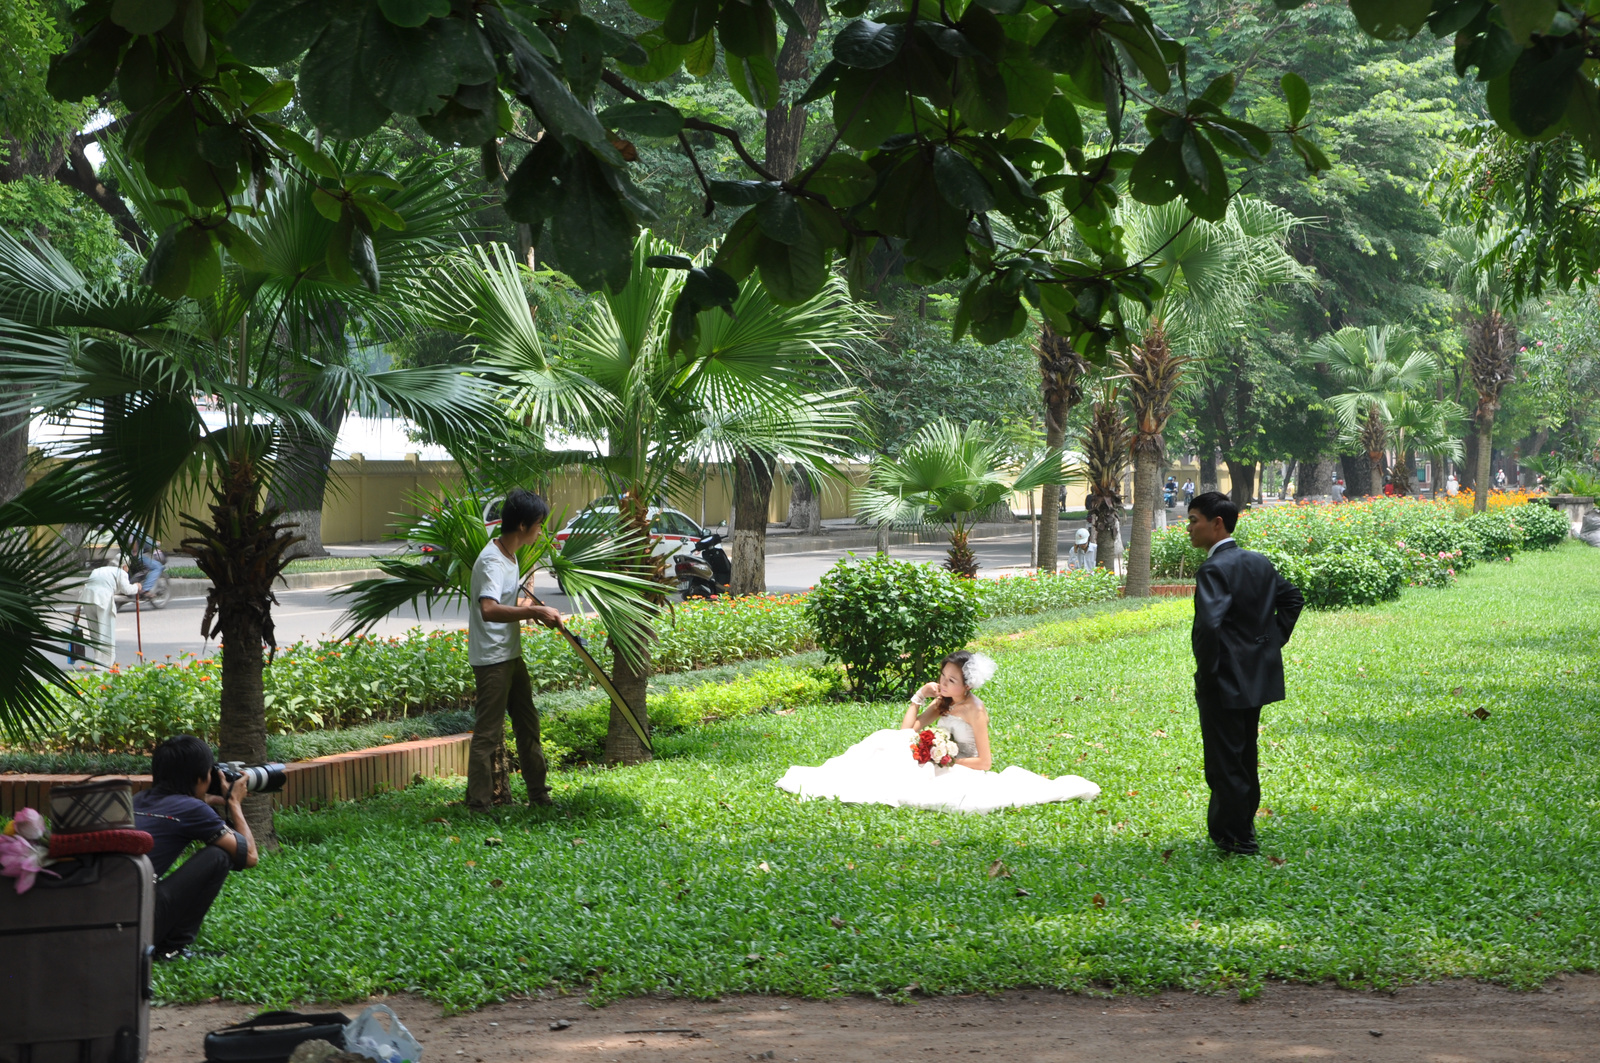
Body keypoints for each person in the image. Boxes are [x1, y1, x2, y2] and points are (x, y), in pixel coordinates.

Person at [775, 652, 1099, 813]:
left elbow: (985, 763)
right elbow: (907, 731)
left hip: (962, 769)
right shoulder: (943, 701)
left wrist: (947, 761)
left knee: (913, 772)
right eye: (942, 677)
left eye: (951, 681)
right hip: (937, 760)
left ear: (967, 685)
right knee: (888, 740)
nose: (943, 684)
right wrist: (919, 696)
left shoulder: (976, 711)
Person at [1186, 492, 1304, 856]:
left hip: (1223, 679)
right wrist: (1267, 644)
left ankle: (1236, 838)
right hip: (1255, 676)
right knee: (1243, 755)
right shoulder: (1258, 562)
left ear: (1217, 523)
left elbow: (1208, 628)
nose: (1189, 528)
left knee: (1224, 761)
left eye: (1194, 520)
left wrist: (1207, 674)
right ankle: (1241, 827)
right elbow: (1293, 599)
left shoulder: (1213, 569)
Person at [467, 488, 562, 812]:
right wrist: (534, 613)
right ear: (523, 525)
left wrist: (530, 605)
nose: (541, 530)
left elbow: (506, 603)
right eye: (539, 524)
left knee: (528, 724)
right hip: (492, 658)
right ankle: (478, 806)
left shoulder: (509, 554)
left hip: (510, 653)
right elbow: (489, 610)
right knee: (487, 735)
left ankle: (539, 796)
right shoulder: (492, 560)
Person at [132, 735, 259, 960]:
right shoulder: (192, 809)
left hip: (109, 919)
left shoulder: (138, 799)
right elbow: (249, 856)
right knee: (218, 856)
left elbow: (176, 810)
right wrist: (234, 803)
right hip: (138, 926)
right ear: (201, 778)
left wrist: (204, 801)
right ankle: (171, 948)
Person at [74, 561, 138, 667]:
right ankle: (105, 663)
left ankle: (98, 660)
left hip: (88, 599)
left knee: (95, 632)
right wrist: (137, 586)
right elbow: (127, 590)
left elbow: (87, 587)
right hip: (103, 600)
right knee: (106, 632)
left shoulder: (98, 570)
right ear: (124, 565)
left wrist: (77, 609)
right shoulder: (121, 572)